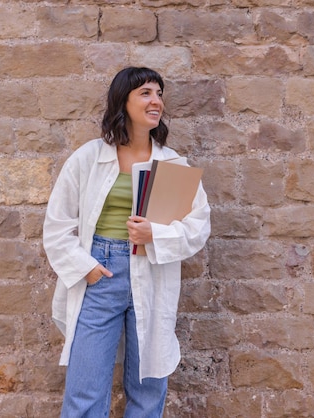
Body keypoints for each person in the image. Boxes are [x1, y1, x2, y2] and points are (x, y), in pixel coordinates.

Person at [43, 67, 211, 417]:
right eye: (146, 93)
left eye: (159, 93)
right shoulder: (88, 158)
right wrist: (86, 268)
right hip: (99, 272)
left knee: (148, 386)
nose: (156, 101)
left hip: (151, 271)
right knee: (85, 385)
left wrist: (156, 235)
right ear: (124, 101)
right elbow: (57, 224)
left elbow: (198, 226)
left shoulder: (172, 164)